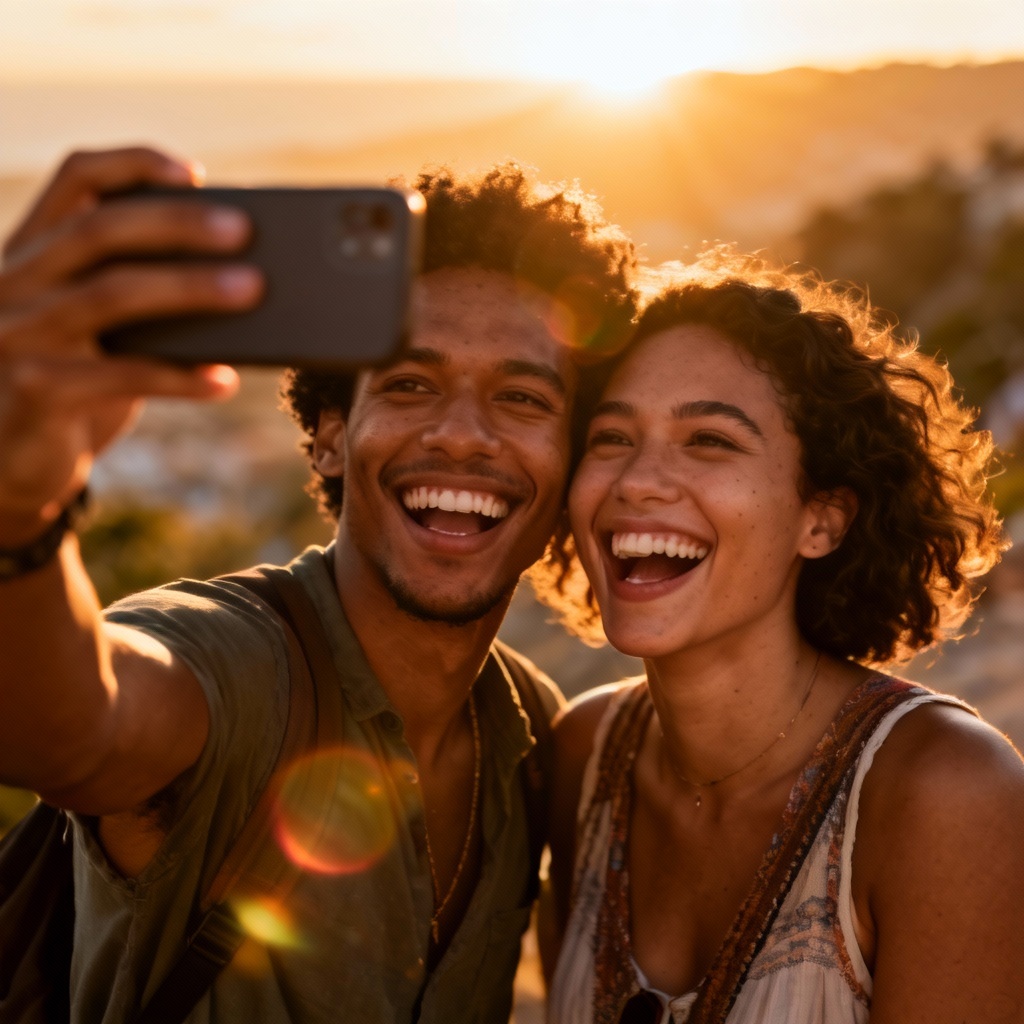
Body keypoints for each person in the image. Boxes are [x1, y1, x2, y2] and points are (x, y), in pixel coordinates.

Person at [0, 146, 637, 1023]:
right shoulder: (239, 662)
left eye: (524, 400)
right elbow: (74, 730)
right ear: (331, 437)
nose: (463, 435)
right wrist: (18, 508)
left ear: (571, 466)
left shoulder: (527, 731)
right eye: (411, 383)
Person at [542, 251, 1024, 1023]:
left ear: (820, 519)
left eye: (710, 441)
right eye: (610, 438)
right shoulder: (583, 757)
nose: (637, 481)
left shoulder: (946, 795)